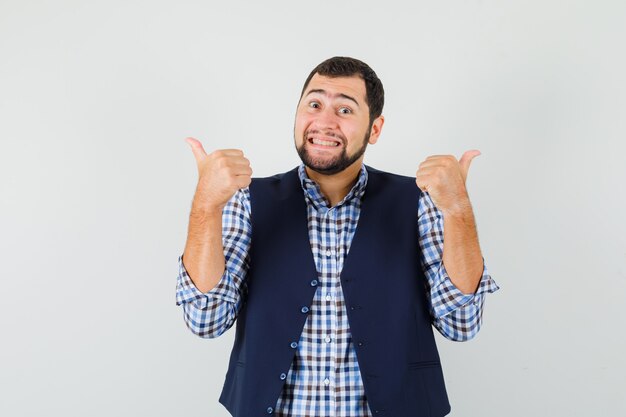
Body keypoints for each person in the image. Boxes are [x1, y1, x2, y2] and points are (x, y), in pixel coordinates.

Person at [175, 56, 499, 417]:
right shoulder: (246, 200)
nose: (324, 122)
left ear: (374, 130)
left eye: (344, 110)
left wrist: (457, 209)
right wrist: (207, 204)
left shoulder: (422, 200)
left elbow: (461, 324)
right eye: (314, 104)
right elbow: (206, 320)